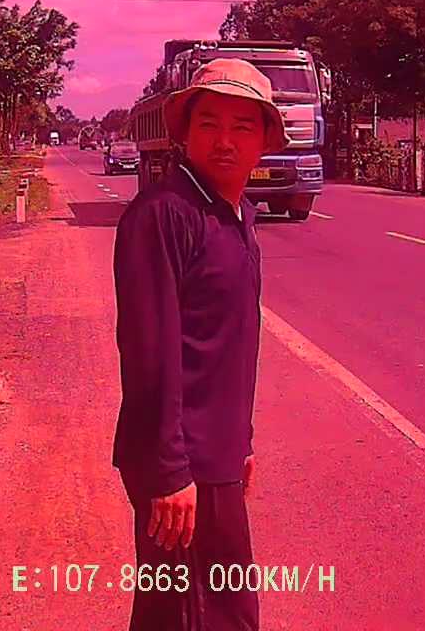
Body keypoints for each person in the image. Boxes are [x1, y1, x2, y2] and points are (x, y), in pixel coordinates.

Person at [112, 58, 289, 631]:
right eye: (209, 124)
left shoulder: (235, 216)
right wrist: (169, 472)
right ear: (185, 133)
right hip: (181, 463)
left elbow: (226, 347)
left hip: (215, 455)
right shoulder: (164, 215)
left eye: (242, 127)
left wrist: (241, 442)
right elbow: (151, 353)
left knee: (188, 614)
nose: (225, 141)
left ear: (264, 141)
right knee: (207, 617)